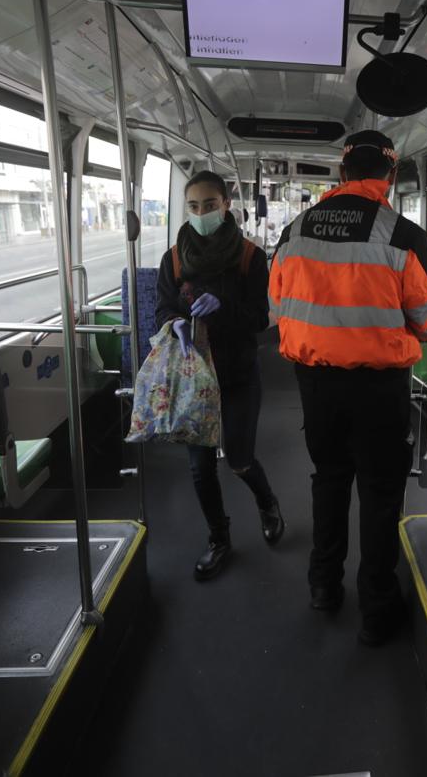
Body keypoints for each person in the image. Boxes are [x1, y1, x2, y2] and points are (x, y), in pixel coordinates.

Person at [269, 129, 427, 646]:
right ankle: (376, 606)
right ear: (389, 177)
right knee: (379, 491)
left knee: (328, 479)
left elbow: (277, 310)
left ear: (342, 173)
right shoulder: (403, 236)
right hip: (379, 389)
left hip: (316, 384)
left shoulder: (294, 232)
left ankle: (323, 586)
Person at [154, 171, 284, 581]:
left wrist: (223, 306)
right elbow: (162, 308)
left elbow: (261, 318)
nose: (202, 213)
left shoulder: (249, 256)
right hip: (195, 377)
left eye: (209, 205)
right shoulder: (174, 258)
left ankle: (267, 502)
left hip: (238, 372)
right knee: (200, 468)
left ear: (226, 204)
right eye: (193, 206)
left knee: (241, 460)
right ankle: (219, 539)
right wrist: (174, 322)